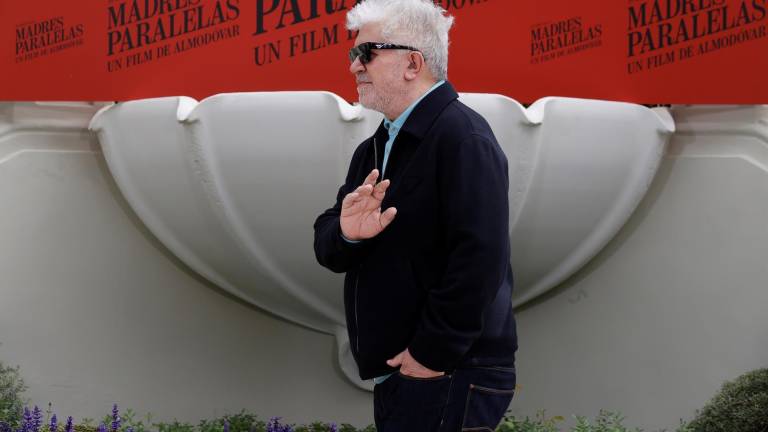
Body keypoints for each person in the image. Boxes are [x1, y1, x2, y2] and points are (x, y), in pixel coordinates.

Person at [313, 0, 518, 430]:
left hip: (446, 370)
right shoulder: (376, 145)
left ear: (412, 62)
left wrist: (429, 357)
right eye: (354, 54)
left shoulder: (464, 138)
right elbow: (329, 245)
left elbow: (479, 261)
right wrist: (349, 234)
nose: (354, 67)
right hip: (411, 371)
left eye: (366, 52)